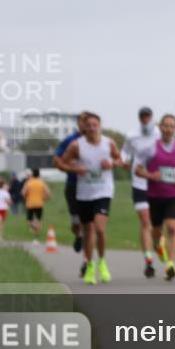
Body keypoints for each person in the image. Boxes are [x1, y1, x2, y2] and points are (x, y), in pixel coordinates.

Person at [61, 112, 124, 285]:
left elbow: (120, 160)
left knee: (99, 228)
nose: (91, 128)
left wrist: (112, 164)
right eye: (88, 125)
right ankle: (90, 266)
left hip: (104, 191)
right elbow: (63, 162)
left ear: (99, 126)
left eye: (94, 125)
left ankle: (102, 262)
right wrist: (75, 169)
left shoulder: (108, 143)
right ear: (84, 127)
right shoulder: (76, 145)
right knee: (88, 231)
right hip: (84, 193)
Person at [135, 114, 175, 281]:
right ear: (160, 127)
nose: (168, 129)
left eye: (172, 126)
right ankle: (157, 245)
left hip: (173, 196)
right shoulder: (150, 149)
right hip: (154, 197)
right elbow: (137, 169)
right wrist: (150, 175)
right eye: (166, 125)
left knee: (173, 228)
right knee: (156, 233)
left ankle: (171, 264)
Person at [122, 106, 161, 278]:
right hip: (139, 182)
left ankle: (157, 243)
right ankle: (148, 260)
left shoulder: (160, 133)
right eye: (142, 116)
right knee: (145, 221)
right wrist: (124, 160)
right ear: (139, 118)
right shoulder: (132, 135)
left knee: (157, 225)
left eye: (148, 116)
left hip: (157, 183)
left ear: (151, 117)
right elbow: (125, 152)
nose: (145, 119)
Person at [53, 112, 89, 274]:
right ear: (78, 123)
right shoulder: (70, 141)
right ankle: (78, 235)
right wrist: (71, 167)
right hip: (73, 186)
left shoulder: (99, 141)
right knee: (76, 223)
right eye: (82, 121)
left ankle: (86, 261)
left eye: (88, 121)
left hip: (93, 188)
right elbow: (57, 160)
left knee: (90, 225)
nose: (85, 124)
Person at [22, 168, 52, 245]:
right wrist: (44, 198)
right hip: (39, 204)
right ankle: (36, 236)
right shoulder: (42, 183)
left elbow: (23, 192)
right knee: (38, 220)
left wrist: (26, 198)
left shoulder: (28, 183)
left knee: (29, 220)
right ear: (39, 175)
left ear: (32, 174)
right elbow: (49, 193)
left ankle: (34, 230)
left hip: (30, 204)